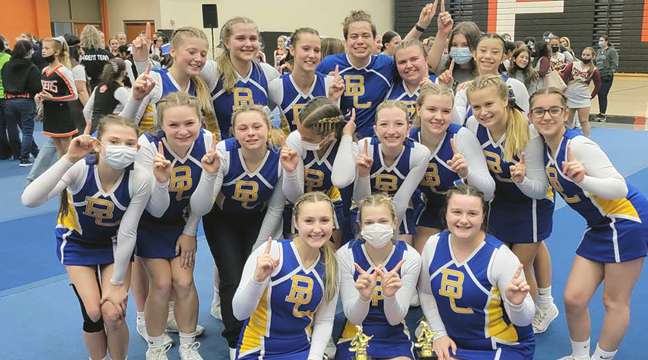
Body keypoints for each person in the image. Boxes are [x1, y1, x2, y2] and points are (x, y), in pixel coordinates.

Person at [21, 115, 156, 360]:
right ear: (98, 144)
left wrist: (116, 284)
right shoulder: (81, 168)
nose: (121, 148)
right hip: (76, 243)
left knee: (113, 314)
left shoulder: (141, 178)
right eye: (113, 141)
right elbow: (30, 200)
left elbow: (128, 232)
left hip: (115, 245)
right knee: (93, 312)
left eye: (129, 144)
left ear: (137, 148)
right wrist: (69, 158)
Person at [529, 88, 648, 360]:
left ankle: (601, 358)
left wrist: (584, 180)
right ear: (531, 116)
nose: (547, 116)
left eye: (554, 110)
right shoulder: (542, 147)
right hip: (598, 225)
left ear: (566, 113)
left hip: (625, 220)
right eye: (539, 111)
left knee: (614, 301)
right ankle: (579, 356)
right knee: (573, 298)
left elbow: (618, 187)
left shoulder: (578, 145)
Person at [465, 74, 558, 333]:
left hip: (531, 206)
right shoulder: (473, 126)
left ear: (505, 100)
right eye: (477, 106)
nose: (483, 112)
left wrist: (521, 180)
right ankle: (519, 308)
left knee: (518, 267)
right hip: (499, 202)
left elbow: (540, 190)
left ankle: (537, 311)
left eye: (489, 104)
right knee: (501, 264)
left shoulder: (527, 132)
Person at [136, 93, 219, 360]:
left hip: (183, 221)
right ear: (162, 124)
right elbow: (155, 208)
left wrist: (190, 232)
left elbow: (203, 204)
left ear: (199, 121)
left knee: (183, 282)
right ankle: (156, 346)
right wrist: (161, 182)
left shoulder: (207, 141)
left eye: (189, 123)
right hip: (148, 221)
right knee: (160, 284)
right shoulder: (148, 145)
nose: (182, 131)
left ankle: (187, 345)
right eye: (173, 125)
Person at [202, 104, 286, 358]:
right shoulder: (224, 152)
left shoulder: (280, 156)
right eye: (243, 128)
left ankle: (259, 327)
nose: (251, 133)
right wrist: (188, 233)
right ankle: (234, 339)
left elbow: (276, 207)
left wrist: (258, 247)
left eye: (257, 126)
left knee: (257, 271)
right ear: (234, 133)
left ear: (268, 128)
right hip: (221, 218)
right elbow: (205, 203)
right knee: (232, 275)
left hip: (256, 217)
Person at [419, 184, 536, 360]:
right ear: (446, 213)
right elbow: (426, 293)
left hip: (501, 346)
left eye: (472, 213)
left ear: (483, 216)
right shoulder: (433, 245)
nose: (464, 220)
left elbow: (524, 321)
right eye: (456, 212)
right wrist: (439, 333)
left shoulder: (502, 258)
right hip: (452, 342)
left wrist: (516, 305)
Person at [232, 191, 339, 360]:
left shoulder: (331, 265)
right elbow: (239, 313)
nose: (317, 229)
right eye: (309, 221)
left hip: (302, 349)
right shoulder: (272, 251)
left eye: (324, 220)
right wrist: (257, 280)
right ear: (296, 222)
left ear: (333, 223)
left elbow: (324, 321)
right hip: (258, 351)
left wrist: (315, 357)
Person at [316, 5, 437, 137]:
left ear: (374, 40)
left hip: (376, 142)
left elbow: (404, 53)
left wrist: (421, 26)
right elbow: (311, 92)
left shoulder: (384, 65)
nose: (360, 41)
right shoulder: (329, 64)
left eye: (366, 35)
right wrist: (328, 92)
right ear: (345, 41)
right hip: (339, 140)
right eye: (354, 36)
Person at [410, 84, 494, 253]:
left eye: (446, 111)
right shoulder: (410, 141)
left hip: (466, 211)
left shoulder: (460, 137)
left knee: (455, 254)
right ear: (418, 109)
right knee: (422, 259)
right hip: (433, 207)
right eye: (432, 109)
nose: (438, 117)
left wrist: (466, 173)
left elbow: (489, 191)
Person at [335, 194, 422, 360]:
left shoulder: (410, 256)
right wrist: (363, 297)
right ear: (359, 226)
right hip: (355, 334)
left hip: (394, 335)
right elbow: (354, 317)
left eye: (383, 221)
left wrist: (390, 296)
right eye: (369, 222)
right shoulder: (345, 254)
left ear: (394, 223)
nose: (376, 227)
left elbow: (395, 318)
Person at [280, 97, 357, 248]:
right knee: (300, 254)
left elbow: (341, 180)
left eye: (307, 138)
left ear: (328, 135)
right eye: (300, 133)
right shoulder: (296, 138)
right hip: (298, 205)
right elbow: (294, 196)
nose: (301, 139)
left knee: (329, 258)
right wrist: (290, 172)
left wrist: (347, 136)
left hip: (330, 204)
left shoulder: (347, 143)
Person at [353, 100, 431, 243]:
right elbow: (360, 200)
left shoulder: (419, 153)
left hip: (399, 210)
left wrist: (389, 237)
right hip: (365, 210)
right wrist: (363, 175)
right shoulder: (364, 147)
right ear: (375, 130)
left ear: (408, 129)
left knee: (401, 248)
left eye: (398, 124)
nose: (391, 131)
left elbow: (401, 201)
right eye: (384, 124)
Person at [124, 26, 217, 135]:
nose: (198, 59)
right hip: (152, 151)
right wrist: (135, 99)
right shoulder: (155, 81)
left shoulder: (201, 88)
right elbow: (123, 125)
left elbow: (213, 134)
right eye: (191, 52)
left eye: (203, 54)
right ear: (172, 51)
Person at [268, 27, 343, 134]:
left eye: (316, 50)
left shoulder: (330, 84)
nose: (312, 55)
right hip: (289, 149)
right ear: (292, 50)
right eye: (306, 49)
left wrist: (333, 100)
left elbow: (333, 131)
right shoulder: (276, 86)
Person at [448, 33, 530, 126]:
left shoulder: (516, 86)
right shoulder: (465, 89)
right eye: (483, 51)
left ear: (503, 58)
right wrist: (446, 90)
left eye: (495, 52)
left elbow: (526, 123)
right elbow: (456, 123)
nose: (487, 56)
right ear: (474, 54)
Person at [1, 40, 41, 165]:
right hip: (25, 100)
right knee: (27, 130)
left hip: (9, 100)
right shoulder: (31, 67)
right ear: (28, 52)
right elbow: (36, 87)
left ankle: (35, 152)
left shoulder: (7, 65)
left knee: (22, 129)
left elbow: (4, 80)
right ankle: (24, 158)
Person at [37, 36, 78, 157]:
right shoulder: (44, 70)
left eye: (46, 48)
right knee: (59, 149)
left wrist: (53, 99)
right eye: (42, 48)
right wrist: (39, 96)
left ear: (56, 52)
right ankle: (62, 175)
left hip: (62, 113)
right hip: (50, 113)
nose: (43, 51)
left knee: (68, 150)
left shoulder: (64, 71)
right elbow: (46, 91)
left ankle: (74, 173)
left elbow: (74, 95)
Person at [387, 39, 438, 119]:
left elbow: (455, 122)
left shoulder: (439, 84)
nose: (409, 65)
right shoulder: (388, 87)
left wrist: (434, 96)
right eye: (402, 62)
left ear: (426, 59)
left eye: (414, 59)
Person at [560, 47, 601, 137]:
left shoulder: (594, 70)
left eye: (588, 55)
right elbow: (564, 78)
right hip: (570, 95)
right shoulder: (573, 65)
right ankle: (567, 138)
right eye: (583, 55)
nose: (585, 57)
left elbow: (598, 85)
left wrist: (592, 95)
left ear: (592, 57)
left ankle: (587, 139)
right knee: (567, 120)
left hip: (583, 97)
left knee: (584, 121)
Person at [429, 20, 479, 90]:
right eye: (454, 45)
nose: (459, 49)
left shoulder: (482, 72)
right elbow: (428, 67)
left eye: (465, 45)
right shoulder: (442, 64)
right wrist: (442, 32)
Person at [84, 59, 131, 130]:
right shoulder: (119, 90)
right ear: (123, 73)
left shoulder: (98, 87)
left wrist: (90, 125)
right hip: (108, 127)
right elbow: (130, 110)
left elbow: (86, 110)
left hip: (94, 126)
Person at [66, 34, 91, 132]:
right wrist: (90, 112)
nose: (82, 51)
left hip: (60, 110)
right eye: (79, 47)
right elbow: (81, 91)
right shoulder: (77, 68)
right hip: (75, 110)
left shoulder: (56, 65)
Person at [80, 25, 113, 92]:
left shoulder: (80, 54)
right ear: (97, 37)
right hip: (105, 88)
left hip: (87, 89)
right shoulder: (106, 54)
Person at [594, 35, 618, 122]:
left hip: (606, 76)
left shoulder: (611, 51)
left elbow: (614, 63)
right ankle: (601, 112)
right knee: (599, 94)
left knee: (603, 94)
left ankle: (603, 114)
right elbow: (595, 62)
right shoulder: (598, 52)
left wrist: (610, 73)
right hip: (598, 76)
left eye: (602, 40)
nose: (600, 42)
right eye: (599, 40)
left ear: (606, 41)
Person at [0, 35, 13, 160]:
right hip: (6, 95)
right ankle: (17, 151)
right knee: (12, 125)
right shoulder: (8, 58)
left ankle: (4, 152)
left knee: (1, 126)